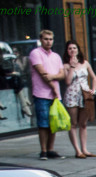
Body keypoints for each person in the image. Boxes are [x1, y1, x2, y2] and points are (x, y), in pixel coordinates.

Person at [28, 29, 65, 159]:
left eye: (50, 39)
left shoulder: (56, 56)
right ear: (40, 39)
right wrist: (53, 87)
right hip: (41, 93)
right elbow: (42, 73)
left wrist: (53, 77)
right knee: (43, 124)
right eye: (45, 39)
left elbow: (62, 74)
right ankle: (43, 150)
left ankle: (51, 149)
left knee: (53, 123)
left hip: (55, 96)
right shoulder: (35, 53)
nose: (48, 42)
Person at [61, 41, 96, 157]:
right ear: (67, 51)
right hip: (72, 95)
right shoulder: (66, 66)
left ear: (78, 50)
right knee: (73, 123)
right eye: (70, 48)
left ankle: (85, 149)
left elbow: (94, 77)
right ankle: (78, 151)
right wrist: (71, 66)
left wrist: (93, 90)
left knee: (83, 124)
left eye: (74, 48)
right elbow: (67, 81)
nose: (72, 50)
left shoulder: (85, 63)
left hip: (85, 95)